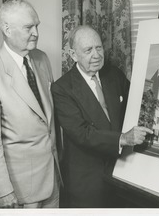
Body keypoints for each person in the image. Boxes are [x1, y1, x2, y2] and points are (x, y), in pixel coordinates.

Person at [0, 0, 62, 208]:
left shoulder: (41, 59)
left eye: (37, 26)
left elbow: (48, 122)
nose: (36, 33)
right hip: (18, 192)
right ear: (7, 29)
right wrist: (3, 192)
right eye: (29, 27)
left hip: (53, 181)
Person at [51, 25, 153, 208]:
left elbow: (136, 104)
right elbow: (82, 133)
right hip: (88, 181)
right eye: (88, 50)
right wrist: (123, 138)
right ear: (74, 55)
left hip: (122, 172)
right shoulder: (62, 88)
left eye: (98, 48)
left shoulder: (114, 74)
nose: (96, 55)